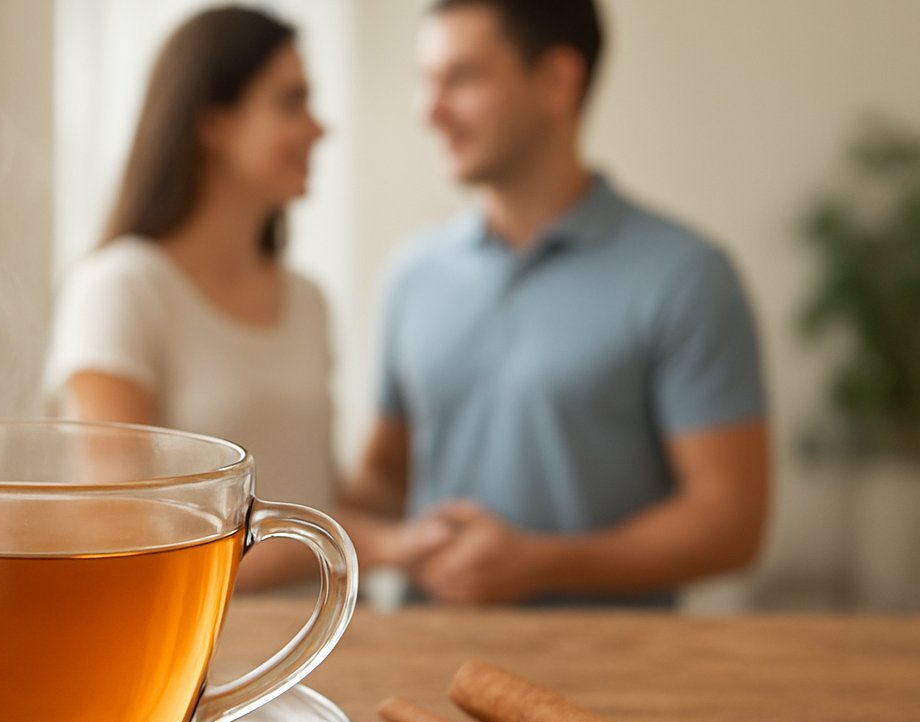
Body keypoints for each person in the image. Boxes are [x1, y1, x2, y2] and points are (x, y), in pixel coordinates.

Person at [345, 0, 770, 606]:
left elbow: (732, 523)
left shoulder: (686, 276)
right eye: (426, 80)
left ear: (556, 82)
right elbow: (385, 481)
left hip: (611, 677)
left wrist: (540, 563)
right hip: (423, 666)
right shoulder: (413, 273)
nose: (429, 111)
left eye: (460, 79)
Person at [47, 5, 446, 589]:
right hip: (189, 660)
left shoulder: (307, 302)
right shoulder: (121, 290)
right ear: (214, 125)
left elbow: (319, 495)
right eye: (292, 102)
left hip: (326, 646)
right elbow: (126, 532)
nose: (319, 128)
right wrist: (382, 544)